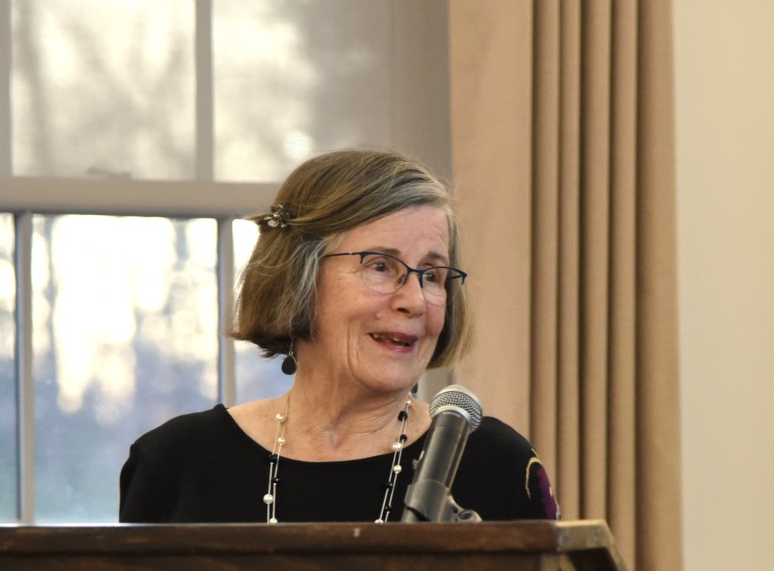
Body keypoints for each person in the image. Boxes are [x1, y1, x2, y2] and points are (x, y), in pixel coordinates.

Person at [118, 148, 558, 525]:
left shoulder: (495, 464)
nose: (416, 301)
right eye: (381, 266)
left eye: (433, 275)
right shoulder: (176, 462)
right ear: (299, 276)